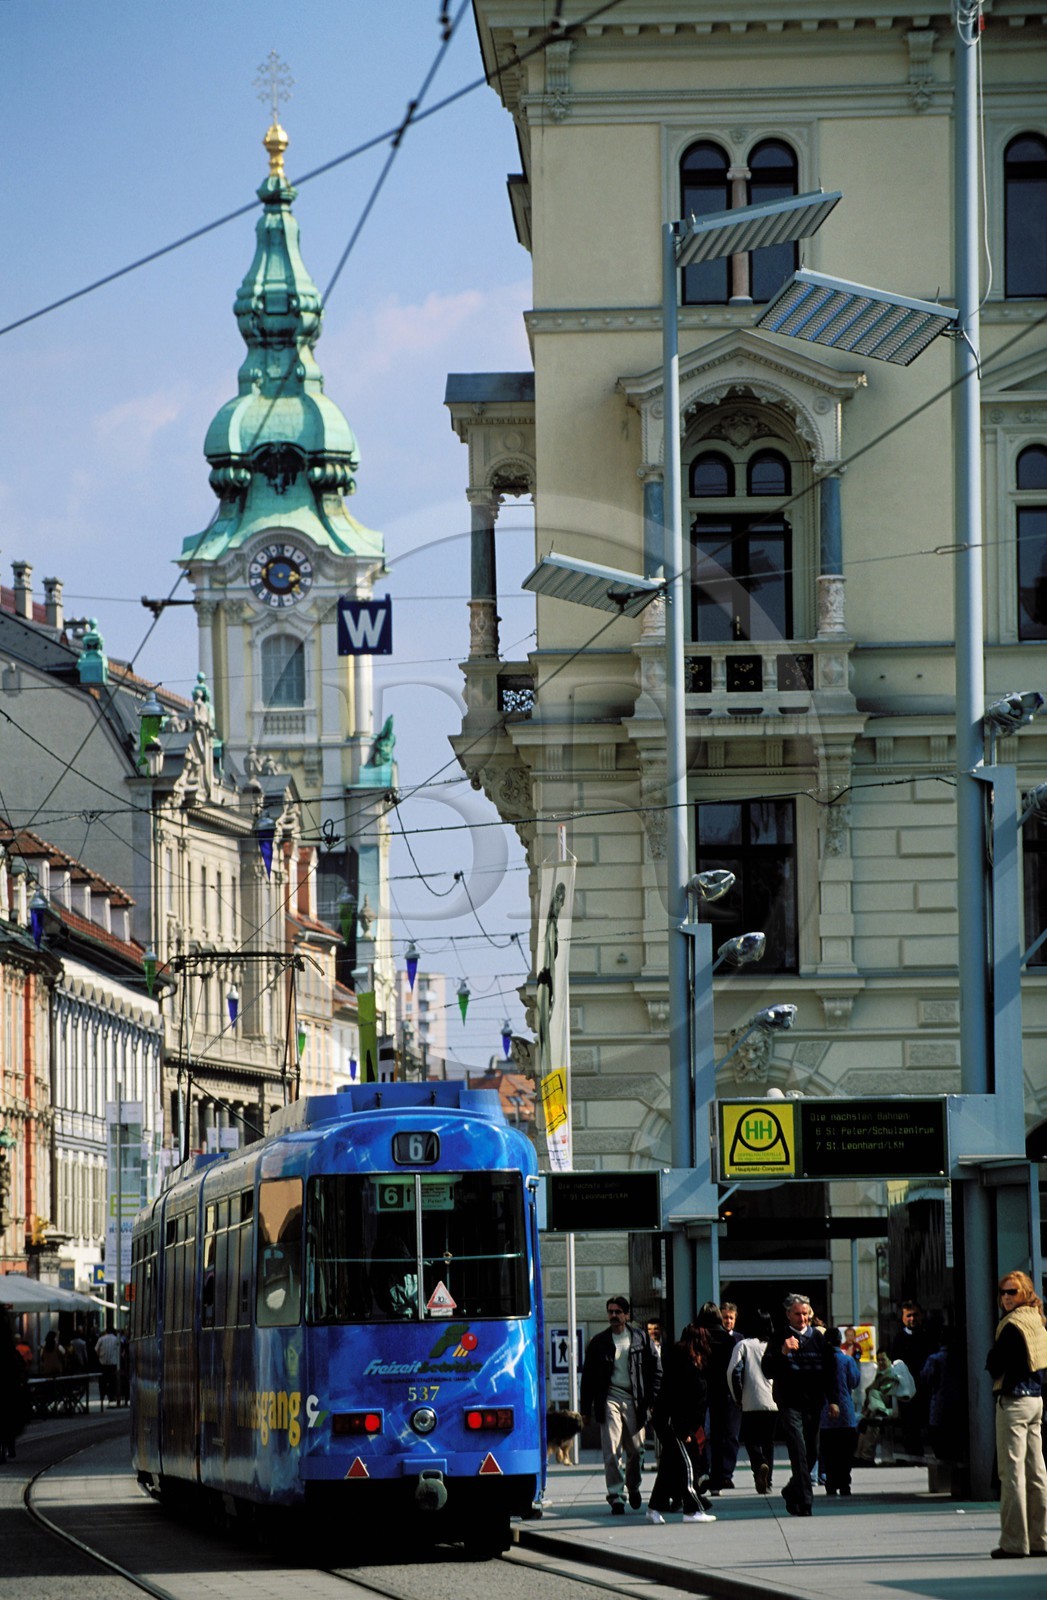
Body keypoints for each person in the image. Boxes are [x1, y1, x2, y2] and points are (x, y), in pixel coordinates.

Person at [985, 1269, 1047, 1560]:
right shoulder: (1037, 1320)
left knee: (1012, 1473)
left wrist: (992, 1359)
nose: (1006, 1298)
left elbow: (996, 1363)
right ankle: (1040, 1540)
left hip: (1014, 1402)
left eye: (1013, 1292)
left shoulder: (1012, 1325)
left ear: (1025, 1293)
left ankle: (1014, 1541)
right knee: (1036, 1473)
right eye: (1003, 1292)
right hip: (1036, 1399)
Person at [580, 1295, 661, 1515]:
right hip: (609, 1399)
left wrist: (653, 1400)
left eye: (618, 1312)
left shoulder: (640, 1339)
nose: (613, 1316)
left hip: (635, 1400)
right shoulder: (599, 1342)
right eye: (610, 1312)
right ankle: (616, 1495)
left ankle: (633, 1486)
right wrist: (585, 1410)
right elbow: (587, 1379)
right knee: (612, 1449)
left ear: (626, 1315)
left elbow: (656, 1371)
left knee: (636, 1449)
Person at [761, 1292, 837, 1516]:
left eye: (805, 1314)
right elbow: (767, 1370)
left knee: (811, 1452)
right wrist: (783, 1352)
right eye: (797, 1314)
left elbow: (830, 1371)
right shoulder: (779, 1337)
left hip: (813, 1402)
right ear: (788, 1315)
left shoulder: (819, 1338)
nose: (802, 1318)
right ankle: (805, 1501)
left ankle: (792, 1489)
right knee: (798, 1450)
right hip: (788, 1402)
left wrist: (833, 1400)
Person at [645, 1323, 717, 1526]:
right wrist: (684, 1429)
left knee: (670, 1465)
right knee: (687, 1465)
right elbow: (678, 1400)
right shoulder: (685, 1365)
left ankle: (654, 1507)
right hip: (674, 1423)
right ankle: (692, 1509)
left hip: (675, 1422)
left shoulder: (691, 1363)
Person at [726, 1309, 778, 1494]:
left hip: (751, 1400)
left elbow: (733, 1372)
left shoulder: (743, 1345)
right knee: (768, 1442)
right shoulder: (774, 1345)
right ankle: (768, 1480)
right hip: (773, 1401)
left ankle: (759, 1465)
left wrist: (737, 1396)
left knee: (751, 1440)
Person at [820, 1326, 861, 1496]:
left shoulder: (821, 1360)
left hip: (825, 1412)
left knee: (828, 1450)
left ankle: (830, 1482)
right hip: (845, 1410)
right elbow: (854, 1381)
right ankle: (844, 1483)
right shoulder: (847, 1360)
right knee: (845, 1450)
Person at [889, 1300, 931, 1460]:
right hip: (906, 1387)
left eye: (915, 1315)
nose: (912, 1319)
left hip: (923, 1385)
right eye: (909, 1316)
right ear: (902, 1318)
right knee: (909, 1422)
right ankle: (912, 1452)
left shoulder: (927, 1335)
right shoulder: (899, 1338)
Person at [856, 1350, 901, 1463]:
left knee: (872, 1420)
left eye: (883, 1360)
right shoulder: (881, 1374)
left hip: (885, 1410)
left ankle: (865, 1456)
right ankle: (860, 1455)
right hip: (875, 1409)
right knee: (864, 1421)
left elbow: (882, 1395)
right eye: (879, 1360)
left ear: (889, 1360)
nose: (880, 1362)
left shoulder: (890, 1375)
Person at [0, 1315, 30, 1463]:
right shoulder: (12, 1353)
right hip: (8, 1389)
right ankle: (9, 1446)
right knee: (9, 1416)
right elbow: (20, 1368)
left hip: (8, 1387)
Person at [95, 1325, 121, 1407]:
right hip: (113, 1364)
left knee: (102, 1380)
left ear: (106, 1331)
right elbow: (119, 1350)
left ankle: (102, 1395)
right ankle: (111, 1396)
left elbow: (96, 1349)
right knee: (112, 1380)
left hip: (103, 1364)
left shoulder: (101, 1339)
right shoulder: (116, 1339)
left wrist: (100, 1356)